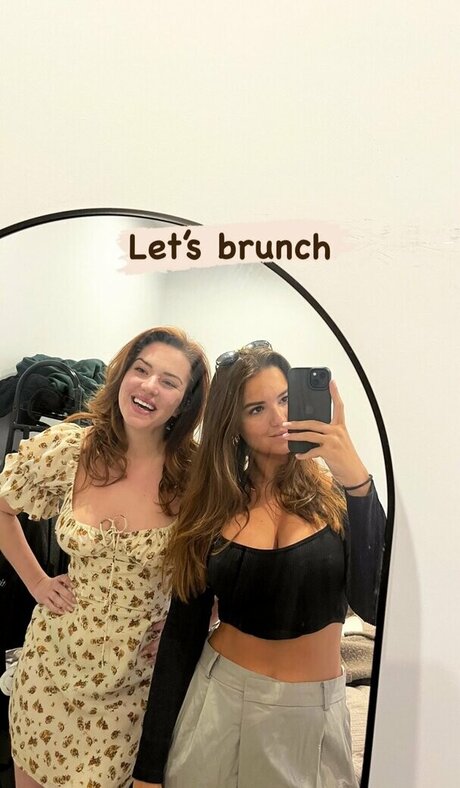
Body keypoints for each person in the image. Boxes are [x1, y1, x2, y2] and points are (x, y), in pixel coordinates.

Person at [132, 342, 386, 788]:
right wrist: (148, 770)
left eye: (285, 399)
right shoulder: (212, 507)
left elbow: (375, 604)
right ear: (234, 425)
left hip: (312, 715)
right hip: (218, 702)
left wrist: (358, 483)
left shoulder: (340, 498)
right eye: (256, 409)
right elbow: (181, 635)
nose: (279, 418)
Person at [0, 326, 210, 788]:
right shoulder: (69, 450)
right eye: (141, 370)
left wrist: (193, 625)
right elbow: (2, 508)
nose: (149, 386)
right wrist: (36, 581)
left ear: (184, 402)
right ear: (122, 375)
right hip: (50, 670)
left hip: (135, 683)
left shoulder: (196, 476)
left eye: (169, 381)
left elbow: (224, 567)